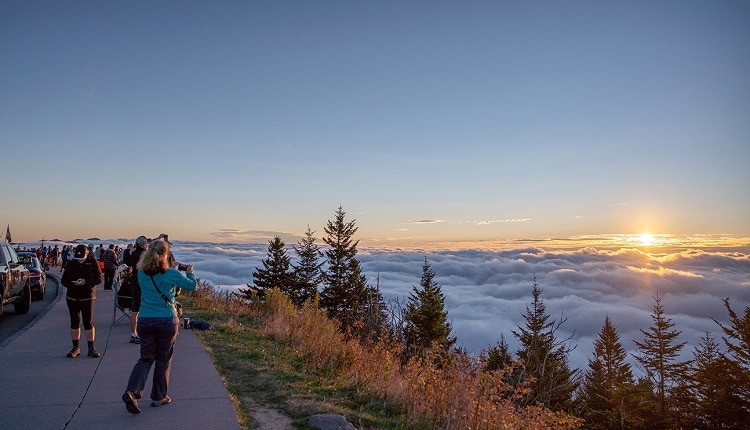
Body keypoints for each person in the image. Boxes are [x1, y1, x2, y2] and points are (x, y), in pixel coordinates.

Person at [122, 238, 196, 414]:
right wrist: (190, 272)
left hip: (145, 319)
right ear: (165, 255)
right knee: (163, 359)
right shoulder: (170, 274)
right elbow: (193, 286)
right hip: (166, 320)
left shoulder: (141, 273)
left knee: (146, 358)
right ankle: (158, 397)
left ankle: (131, 391)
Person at [60, 244, 103, 358]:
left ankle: (91, 347)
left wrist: (86, 282)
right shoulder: (71, 264)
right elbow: (63, 280)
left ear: (87, 254)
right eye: (78, 258)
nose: (80, 261)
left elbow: (99, 279)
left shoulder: (93, 263)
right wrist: (72, 283)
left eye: (82, 259)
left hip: (87, 296)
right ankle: (76, 347)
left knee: (88, 322)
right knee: (75, 321)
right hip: (72, 296)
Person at [124, 236, 149, 344]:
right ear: (143, 244)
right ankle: (143, 333)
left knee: (135, 310)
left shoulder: (133, 253)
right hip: (143, 283)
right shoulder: (144, 255)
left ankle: (133, 333)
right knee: (144, 308)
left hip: (134, 281)